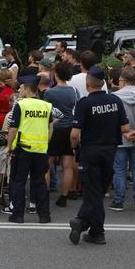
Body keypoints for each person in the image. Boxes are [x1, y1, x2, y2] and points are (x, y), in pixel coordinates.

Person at [69, 68, 130, 245]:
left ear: (88, 84)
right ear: (103, 83)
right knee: (98, 191)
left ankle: (90, 227)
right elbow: (125, 128)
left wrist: (74, 147)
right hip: (110, 151)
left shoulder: (84, 103)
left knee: (92, 191)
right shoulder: (115, 100)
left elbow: (74, 134)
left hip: (90, 152)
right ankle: (86, 225)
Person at [5, 74, 53, 224]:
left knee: (19, 182)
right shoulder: (46, 105)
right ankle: (44, 215)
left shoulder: (21, 105)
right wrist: (44, 142)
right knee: (40, 182)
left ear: (26, 88)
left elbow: (13, 128)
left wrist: (8, 146)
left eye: (20, 88)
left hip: (23, 149)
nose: (19, 91)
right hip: (40, 150)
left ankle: (18, 215)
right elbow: (50, 128)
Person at [110, 67, 135, 212]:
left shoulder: (115, 96)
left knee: (119, 170)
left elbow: (113, 120)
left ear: (123, 81)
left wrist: (125, 133)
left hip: (121, 137)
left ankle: (118, 201)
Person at [43, 62, 79, 208]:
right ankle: (64, 195)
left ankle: (43, 194)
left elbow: (46, 111)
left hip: (54, 129)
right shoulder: (73, 91)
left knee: (47, 163)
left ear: (56, 74)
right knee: (68, 165)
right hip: (69, 128)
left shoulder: (49, 92)